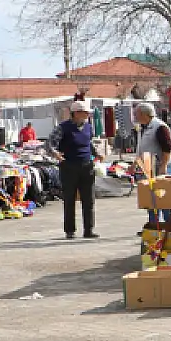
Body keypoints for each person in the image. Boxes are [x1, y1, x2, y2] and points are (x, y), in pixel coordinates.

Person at [52, 100, 99, 239]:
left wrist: (97, 154)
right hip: (69, 166)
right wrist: (56, 154)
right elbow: (50, 144)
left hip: (86, 165)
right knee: (69, 199)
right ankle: (70, 230)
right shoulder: (63, 128)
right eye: (84, 113)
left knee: (88, 199)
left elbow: (89, 143)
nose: (86, 115)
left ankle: (89, 229)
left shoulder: (88, 127)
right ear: (76, 113)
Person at [134, 103, 171, 178]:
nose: (135, 116)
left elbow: (167, 148)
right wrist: (134, 166)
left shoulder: (159, 127)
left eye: (136, 114)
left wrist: (163, 165)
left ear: (144, 114)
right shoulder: (142, 128)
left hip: (161, 167)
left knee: (162, 189)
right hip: (149, 167)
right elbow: (140, 150)